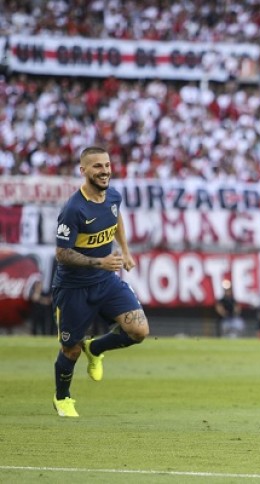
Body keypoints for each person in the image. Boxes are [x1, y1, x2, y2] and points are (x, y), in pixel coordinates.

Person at [52, 146, 149, 418]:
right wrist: (99, 262)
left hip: (106, 281)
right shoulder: (73, 209)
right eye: (97, 166)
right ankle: (62, 398)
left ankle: (95, 348)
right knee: (70, 349)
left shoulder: (113, 196)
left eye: (107, 165)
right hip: (73, 288)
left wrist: (125, 251)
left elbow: (116, 218)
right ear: (83, 170)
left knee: (139, 330)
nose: (104, 171)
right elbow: (62, 253)